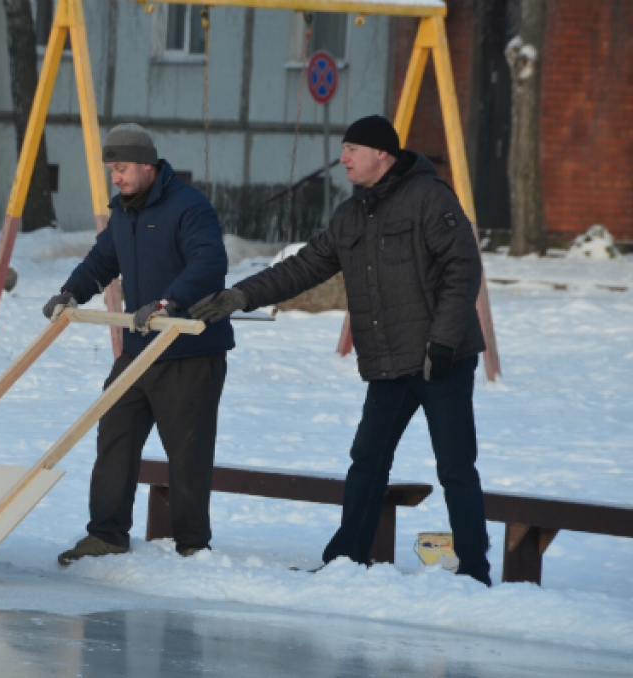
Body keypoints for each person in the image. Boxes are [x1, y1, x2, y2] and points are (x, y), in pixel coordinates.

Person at [189, 115, 492, 586]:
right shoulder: (352, 215)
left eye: (352, 149)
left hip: (440, 359)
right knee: (367, 461)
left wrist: (445, 341)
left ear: (381, 155)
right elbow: (303, 267)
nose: (343, 158)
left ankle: (474, 571)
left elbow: (462, 270)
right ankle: (347, 562)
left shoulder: (430, 199)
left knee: (455, 466)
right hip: (389, 362)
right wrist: (240, 295)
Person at [45, 123, 234, 565]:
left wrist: (170, 301)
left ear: (148, 165)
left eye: (123, 168)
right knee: (114, 433)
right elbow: (102, 260)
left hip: (189, 352)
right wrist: (71, 292)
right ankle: (107, 534)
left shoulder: (189, 207)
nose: (117, 177)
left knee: (187, 450)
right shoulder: (124, 212)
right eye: (112, 169)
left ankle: (192, 546)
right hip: (138, 350)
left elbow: (209, 263)